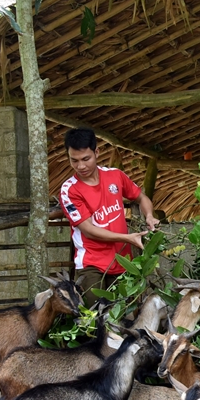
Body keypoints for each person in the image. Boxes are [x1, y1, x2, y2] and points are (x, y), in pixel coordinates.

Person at [58, 128, 159, 306]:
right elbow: (88, 231)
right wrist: (127, 238)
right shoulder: (69, 190)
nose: (81, 166)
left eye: (85, 159)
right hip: (92, 264)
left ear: (97, 152)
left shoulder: (115, 176)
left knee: (123, 319)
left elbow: (141, 197)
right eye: (74, 160)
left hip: (123, 262)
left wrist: (149, 215)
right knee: (96, 321)